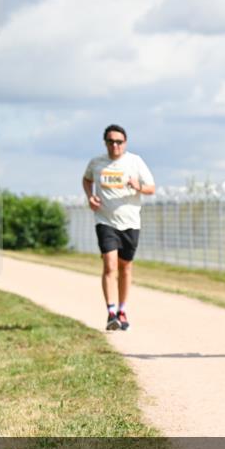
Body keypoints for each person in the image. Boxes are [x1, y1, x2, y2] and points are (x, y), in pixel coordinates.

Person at [82, 124, 155, 331]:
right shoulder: (97, 163)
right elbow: (86, 180)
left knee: (125, 267)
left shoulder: (135, 162)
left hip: (131, 222)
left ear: (125, 143)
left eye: (119, 142)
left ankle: (122, 310)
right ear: (105, 143)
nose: (115, 145)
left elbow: (151, 188)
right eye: (111, 141)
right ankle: (111, 312)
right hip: (105, 221)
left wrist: (137, 186)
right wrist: (90, 197)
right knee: (110, 265)